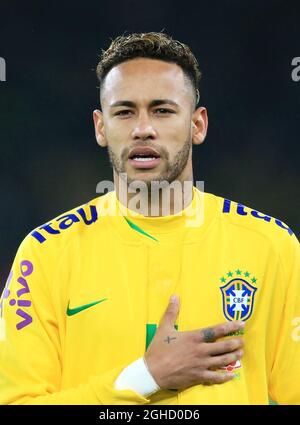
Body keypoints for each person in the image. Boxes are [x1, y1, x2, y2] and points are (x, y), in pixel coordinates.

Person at [0, 32, 299, 405]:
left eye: (162, 110)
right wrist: (146, 378)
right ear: (100, 127)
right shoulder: (45, 254)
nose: (143, 128)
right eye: (124, 111)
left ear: (198, 124)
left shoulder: (272, 247)